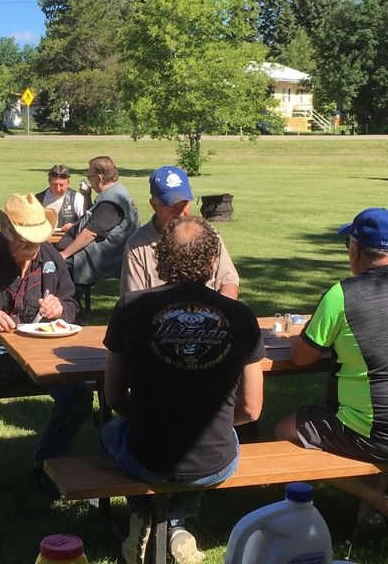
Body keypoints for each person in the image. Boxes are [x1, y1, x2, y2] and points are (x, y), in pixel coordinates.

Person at [274, 207, 388, 542]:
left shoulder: (342, 294)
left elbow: (302, 358)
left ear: (356, 250)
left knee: (283, 429)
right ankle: (368, 514)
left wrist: (296, 337)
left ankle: (381, 503)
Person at [101, 217, 265, 564]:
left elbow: (113, 397)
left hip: (146, 458)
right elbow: (251, 410)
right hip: (214, 463)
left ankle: (146, 514)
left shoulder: (129, 308)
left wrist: (147, 417)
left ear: (162, 259)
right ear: (211, 262)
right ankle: (175, 523)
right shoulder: (242, 316)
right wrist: (206, 425)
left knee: (110, 430)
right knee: (214, 446)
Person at [0, 193, 93, 508]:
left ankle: (46, 465)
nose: (33, 250)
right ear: (7, 233)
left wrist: (60, 308)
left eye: (37, 241)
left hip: (44, 351)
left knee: (79, 397)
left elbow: (72, 305)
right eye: (26, 242)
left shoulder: (50, 257)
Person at [121, 165, 239, 298]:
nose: (180, 213)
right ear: (154, 205)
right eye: (172, 206)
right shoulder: (137, 244)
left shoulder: (205, 232)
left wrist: (220, 309)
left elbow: (229, 280)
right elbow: (134, 301)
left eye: (184, 203)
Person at [56, 155, 139, 285]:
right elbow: (91, 218)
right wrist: (87, 197)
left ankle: (68, 302)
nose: (89, 181)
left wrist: (64, 255)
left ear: (99, 178)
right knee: (48, 255)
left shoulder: (111, 201)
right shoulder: (114, 193)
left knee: (50, 267)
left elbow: (90, 233)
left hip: (98, 258)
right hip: (90, 253)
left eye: (90, 177)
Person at [35, 164, 86, 232]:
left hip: (68, 238)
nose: (58, 189)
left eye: (62, 185)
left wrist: (74, 225)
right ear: (49, 182)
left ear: (68, 183)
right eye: (54, 185)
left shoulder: (77, 198)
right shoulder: (39, 198)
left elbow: (85, 222)